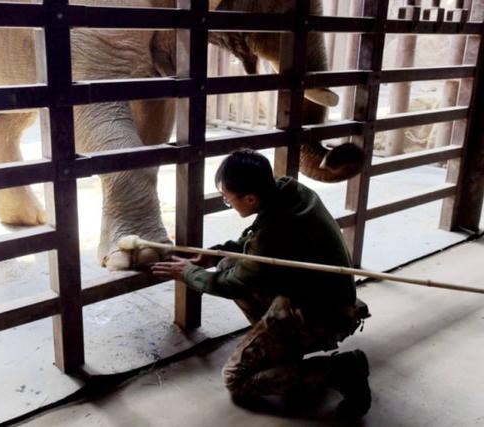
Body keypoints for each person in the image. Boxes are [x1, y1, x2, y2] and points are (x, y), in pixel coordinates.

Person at [151, 149, 371, 418]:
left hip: (321, 314)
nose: (227, 203)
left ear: (251, 198)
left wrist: (186, 273)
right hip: (318, 292)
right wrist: (216, 252)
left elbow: (233, 283)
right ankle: (282, 351)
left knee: (236, 379)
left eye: (227, 199)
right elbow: (254, 245)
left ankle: (340, 371)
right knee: (227, 263)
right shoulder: (291, 192)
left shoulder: (275, 232)